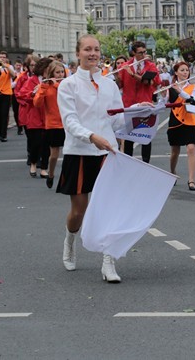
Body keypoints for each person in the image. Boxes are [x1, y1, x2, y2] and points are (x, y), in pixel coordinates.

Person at [57, 34, 126, 282]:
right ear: (78, 54)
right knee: (79, 210)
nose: (93, 54)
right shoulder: (68, 85)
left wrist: (140, 112)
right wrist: (91, 136)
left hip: (107, 151)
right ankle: (70, 240)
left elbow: (118, 120)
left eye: (96, 49)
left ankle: (108, 262)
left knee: (109, 207)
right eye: (87, 49)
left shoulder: (109, 84)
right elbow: (70, 122)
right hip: (80, 151)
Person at [118, 42, 160, 163]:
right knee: (129, 136)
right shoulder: (125, 66)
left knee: (145, 135)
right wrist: (117, 75)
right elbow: (120, 85)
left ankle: (146, 163)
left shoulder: (151, 66)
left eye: (144, 52)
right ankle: (128, 163)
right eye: (140, 52)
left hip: (145, 104)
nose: (143, 54)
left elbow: (150, 82)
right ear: (134, 53)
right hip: (129, 105)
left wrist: (132, 74)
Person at [166, 62, 195, 190]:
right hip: (175, 120)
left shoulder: (193, 86)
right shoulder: (170, 87)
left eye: (187, 70)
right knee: (175, 151)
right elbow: (164, 102)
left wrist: (180, 91)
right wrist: (162, 96)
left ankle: (191, 180)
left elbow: (192, 100)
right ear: (176, 72)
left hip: (190, 121)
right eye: (182, 70)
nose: (185, 72)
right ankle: (172, 172)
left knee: (191, 148)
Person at [34, 60, 66, 188]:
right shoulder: (46, 86)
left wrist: (57, 85)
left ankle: (66, 177)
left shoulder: (66, 85)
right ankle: (51, 173)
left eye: (62, 72)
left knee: (70, 153)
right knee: (54, 155)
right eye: (57, 72)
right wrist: (43, 87)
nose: (60, 74)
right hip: (53, 124)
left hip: (68, 123)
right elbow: (37, 104)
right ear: (52, 73)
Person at [0, 50, 16, 142]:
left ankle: (4, 134)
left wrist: (6, 67)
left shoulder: (9, 67)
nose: (2, 59)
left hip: (6, 93)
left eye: (4, 57)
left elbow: (13, 75)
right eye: (1, 57)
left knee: (4, 113)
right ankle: (0, 132)